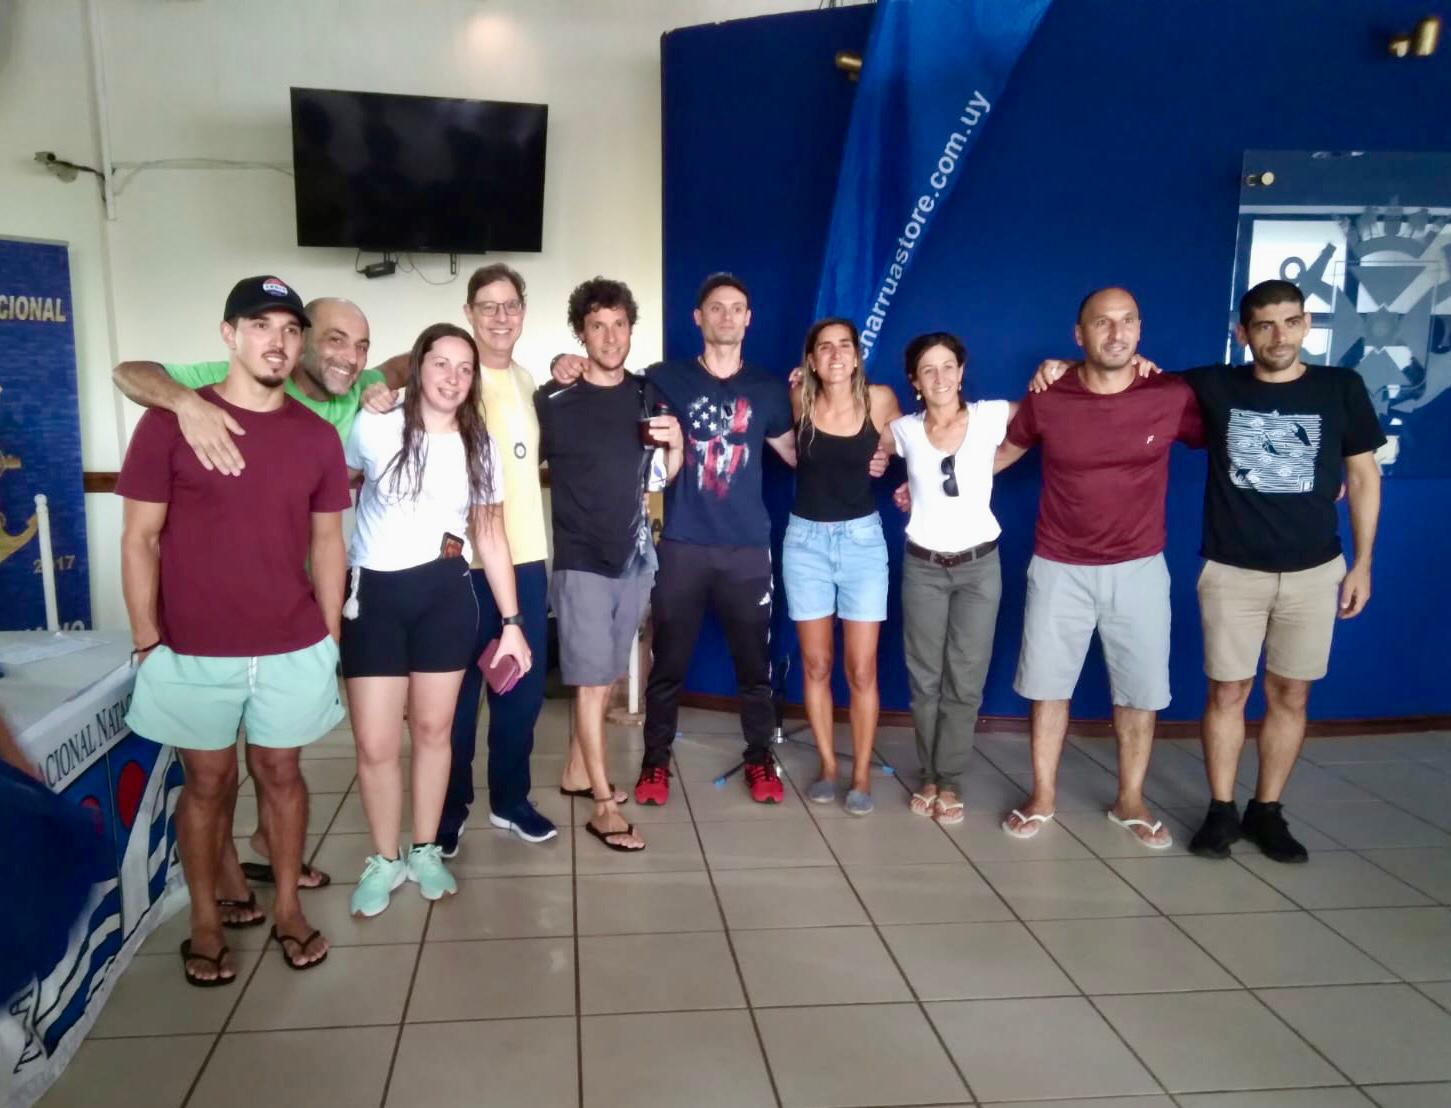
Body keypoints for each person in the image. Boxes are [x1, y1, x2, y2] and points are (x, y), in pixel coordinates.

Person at [1034, 280, 1385, 861]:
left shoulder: (1340, 387)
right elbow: (1116, 370)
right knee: (1228, 692)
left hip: (1314, 569)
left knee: (1291, 694)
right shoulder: (1212, 385)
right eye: (1264, 325)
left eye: (1290, 322)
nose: (1278, 336)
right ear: (1242, 333)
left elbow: (1365, 476)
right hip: (1231, 568)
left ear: (1306, 325)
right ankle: (1222, 810)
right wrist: (1062, 366)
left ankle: (1267, 811)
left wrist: (1364, 562)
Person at [118, 276, 348, 982]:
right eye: (260, 325)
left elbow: (329, 542)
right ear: (229, 334)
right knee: (208, 782)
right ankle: (205, 920)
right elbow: (139, 540)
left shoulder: (316, 436)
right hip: (192, 646)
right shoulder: (170, 423)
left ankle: (288, 909)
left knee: (281, 773)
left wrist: (329, 637)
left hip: (292, 642)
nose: (276, 341)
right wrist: (147, 639)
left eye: (290, 329)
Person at [552, 274, 799, 805]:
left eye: (737, 308)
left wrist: (821, 400)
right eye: (716, 308)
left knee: (754, 667)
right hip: (683, 544)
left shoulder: (769, 388)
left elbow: (799, 454)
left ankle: (760, 758)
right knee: (666, 668)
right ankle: (654, 765)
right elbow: (605, 382)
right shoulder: (662, 380)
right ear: (698, 317)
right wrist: (563, 364)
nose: (727, 317)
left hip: (747, 548)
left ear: (749, 319)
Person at [997, 287, 1202, 849]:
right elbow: (1002, 455)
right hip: (1059, 566)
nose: (1117, 333)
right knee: (1047, 688)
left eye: (1127, 321)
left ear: (1140, 329)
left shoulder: (1170, 395)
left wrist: (1319, 475)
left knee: (1139, 692)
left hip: (1139, 568)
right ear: (1079, 333)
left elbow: (1235, 427)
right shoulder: (1049, 395)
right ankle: (1042, 795)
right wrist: (928, 489)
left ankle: (1130, 800)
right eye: (1103, 322)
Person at [342, 323, 530, 915]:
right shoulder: (375, 425)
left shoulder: (480, 445)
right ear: (419, 366)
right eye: (441, 363)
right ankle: (384, 857)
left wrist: (513, 621)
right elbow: (338, 485)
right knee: (376, 742)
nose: (453, 377)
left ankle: (424, 849)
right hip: (374, 599)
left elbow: (491, 536)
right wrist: (373, 389)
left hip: (446, 599)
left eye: (465, 368)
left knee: (432, 732)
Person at [367, 265, 555, 851]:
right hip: (458, 567)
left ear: (523, 312)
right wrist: (376, 383)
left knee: (520, 691)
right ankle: (448, 809)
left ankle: (511, 799)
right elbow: (401, 367)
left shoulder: (526, 381)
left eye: (510, 305)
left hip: (524, 561)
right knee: (455, 700)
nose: (501, 316)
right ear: (469, 312)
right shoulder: (444, 380)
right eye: (488, 306)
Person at [536, 278, 684, 850]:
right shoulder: (554, 400)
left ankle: (577, 771)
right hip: (581, 560)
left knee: (608, 676)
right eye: (597, 325)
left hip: (635, 557)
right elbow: (514, 463)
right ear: (581, 333)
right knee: (592, 683)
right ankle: (602, 805)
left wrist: (676, 446)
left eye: (619, 324)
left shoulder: (647, 395)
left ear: (630, 329)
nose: (610, 336)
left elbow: (662, 475)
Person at [884, 332, 1016, 824]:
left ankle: (951, 779)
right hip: (924, 567)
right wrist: (803, 381)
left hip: (979, 567)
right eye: (928, 370)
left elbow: (1049, 413)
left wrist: (1059, 368)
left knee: (965, 678)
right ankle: (929, 775)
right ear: (915, 382)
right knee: (925, 678)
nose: (939, 377)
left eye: (947, 367)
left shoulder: (990, 416)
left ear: (961, 373)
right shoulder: (903, 430)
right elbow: (853, 431)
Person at [784, 318, 901, 815]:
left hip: (862, 544)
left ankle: (861, 774)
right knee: (816, 664)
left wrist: (886, 456)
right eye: (825, 348)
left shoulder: (881, 399)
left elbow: (909, 442)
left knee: (862, 668)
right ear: (812, 360)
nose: (835, 354)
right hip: (805, 543)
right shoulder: (798, 399)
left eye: (844, 346)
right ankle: (830, 767)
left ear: (856, 355)